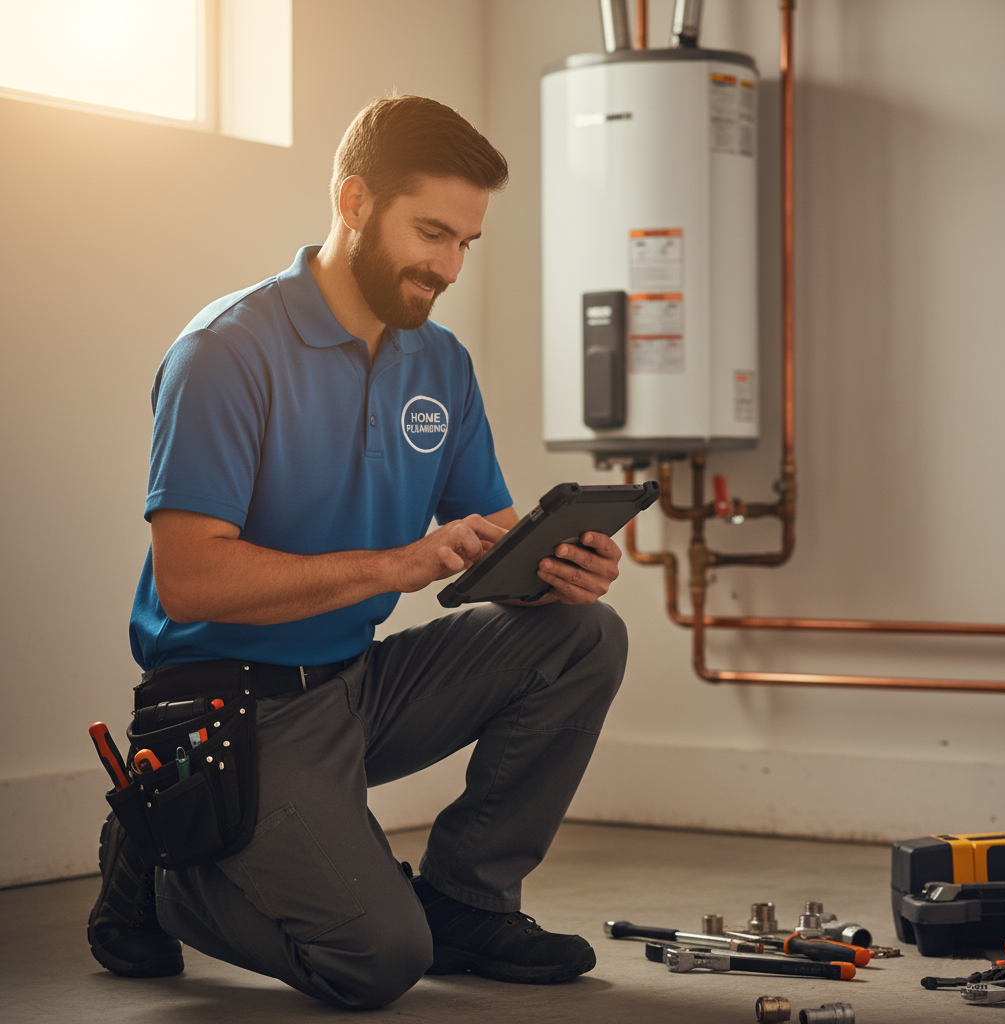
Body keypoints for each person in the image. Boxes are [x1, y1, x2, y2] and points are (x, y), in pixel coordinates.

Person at [87, 94, 628, 1010]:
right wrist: (403, 563)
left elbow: (489, 539)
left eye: (466, 243)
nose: (449, 265)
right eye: (430, 233)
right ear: (353, 203)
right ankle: (167, 860)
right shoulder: (226, 351)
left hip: (355, 681)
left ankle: (465, 899)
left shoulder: (440, 365)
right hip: (235, 708)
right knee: (376, 961)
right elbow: (190, 582)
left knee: (586, 635)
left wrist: (555, 572)